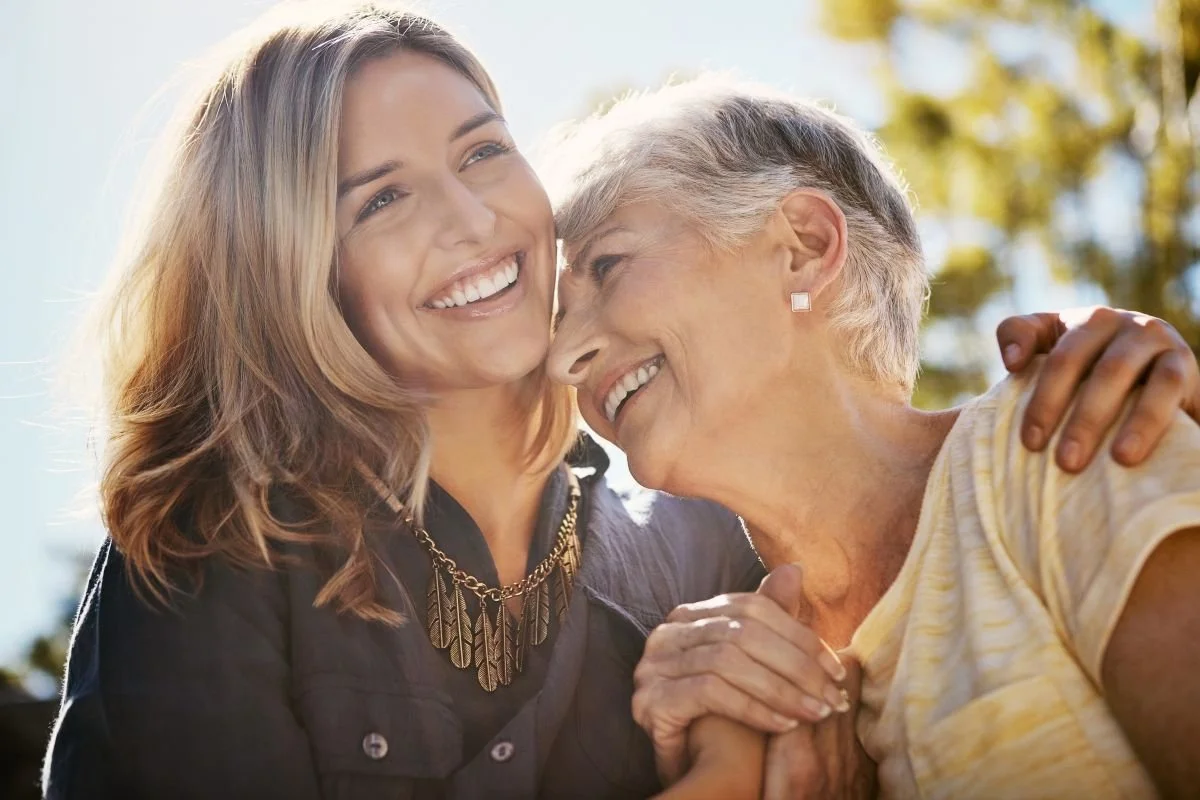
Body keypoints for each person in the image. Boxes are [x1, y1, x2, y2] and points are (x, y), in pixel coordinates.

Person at [44, 5, 1199, 798]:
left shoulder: (1051, 452)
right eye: (382, 198)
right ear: (300, 268)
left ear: (802, 243)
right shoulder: (230, 545)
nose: (570, 338)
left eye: (486, 152)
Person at [546, 75, 1200, 798]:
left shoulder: (1063, 442)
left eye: (606, 265)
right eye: (554, 317)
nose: (562, 355)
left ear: (804, 246)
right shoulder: (721, 686)